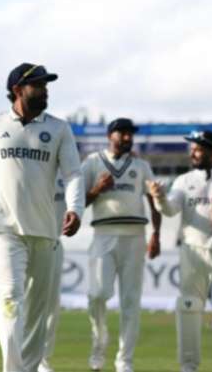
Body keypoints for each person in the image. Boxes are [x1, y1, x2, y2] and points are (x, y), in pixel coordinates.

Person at [0, 63, 84, 372]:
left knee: (36, 312)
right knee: (9, 297)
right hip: (5, 230)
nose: (45, 91)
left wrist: (75, 208)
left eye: (46, 85)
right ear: (18, 90)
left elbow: (73, 174)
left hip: (45, 231)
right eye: (38, 85)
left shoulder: (59, 129)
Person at [148, 130, 212, 372]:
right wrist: (159, 198)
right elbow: (170, 210)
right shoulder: (184, 181)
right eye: (192, 148)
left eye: (199, 148)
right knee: (189, 305)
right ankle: (188, 366)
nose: (193, 153)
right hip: (192, 252)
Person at [82, 117, 161, 372]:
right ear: (110, 136)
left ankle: (124, 361)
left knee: (130, 301)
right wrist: (97, 188)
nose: (127, 138)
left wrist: (156, 234)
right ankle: (98, 347)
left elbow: (154, 202)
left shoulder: (141, 165)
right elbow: (78, 202)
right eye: (122, 133)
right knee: (98, 294)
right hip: (103, 234)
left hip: (135, 236)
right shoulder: (92, 162)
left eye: (130, 134)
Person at [37, 176, 67, 372]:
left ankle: (43, 360)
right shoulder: (31, 165)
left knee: (50, 306)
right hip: (25, 241)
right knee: (21, 302)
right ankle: (18, 357)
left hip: (54, 242)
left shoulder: (67, 174)